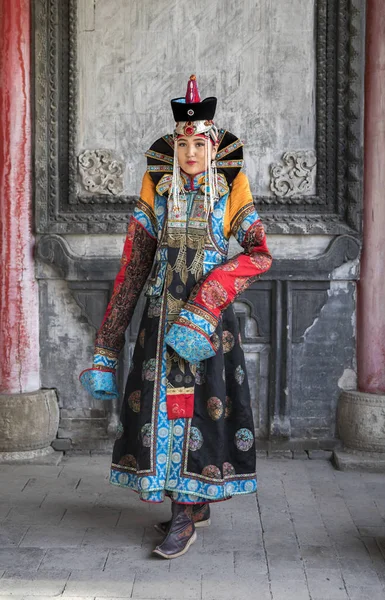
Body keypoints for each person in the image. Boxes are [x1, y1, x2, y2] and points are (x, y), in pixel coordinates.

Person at [80, 75, 272, 559]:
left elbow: (259, 253)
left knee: (196, 410)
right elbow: (135, 263)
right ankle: (189, 505)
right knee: (163, 411)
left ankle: (186, 510)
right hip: (160, 322)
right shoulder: (157, 187)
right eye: (182, 142)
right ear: (174, 145)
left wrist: (208, 300)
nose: (190, 152)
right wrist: (107, 346)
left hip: (206, 326)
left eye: (199, 143)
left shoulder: (231, 186)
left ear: (213, 145)